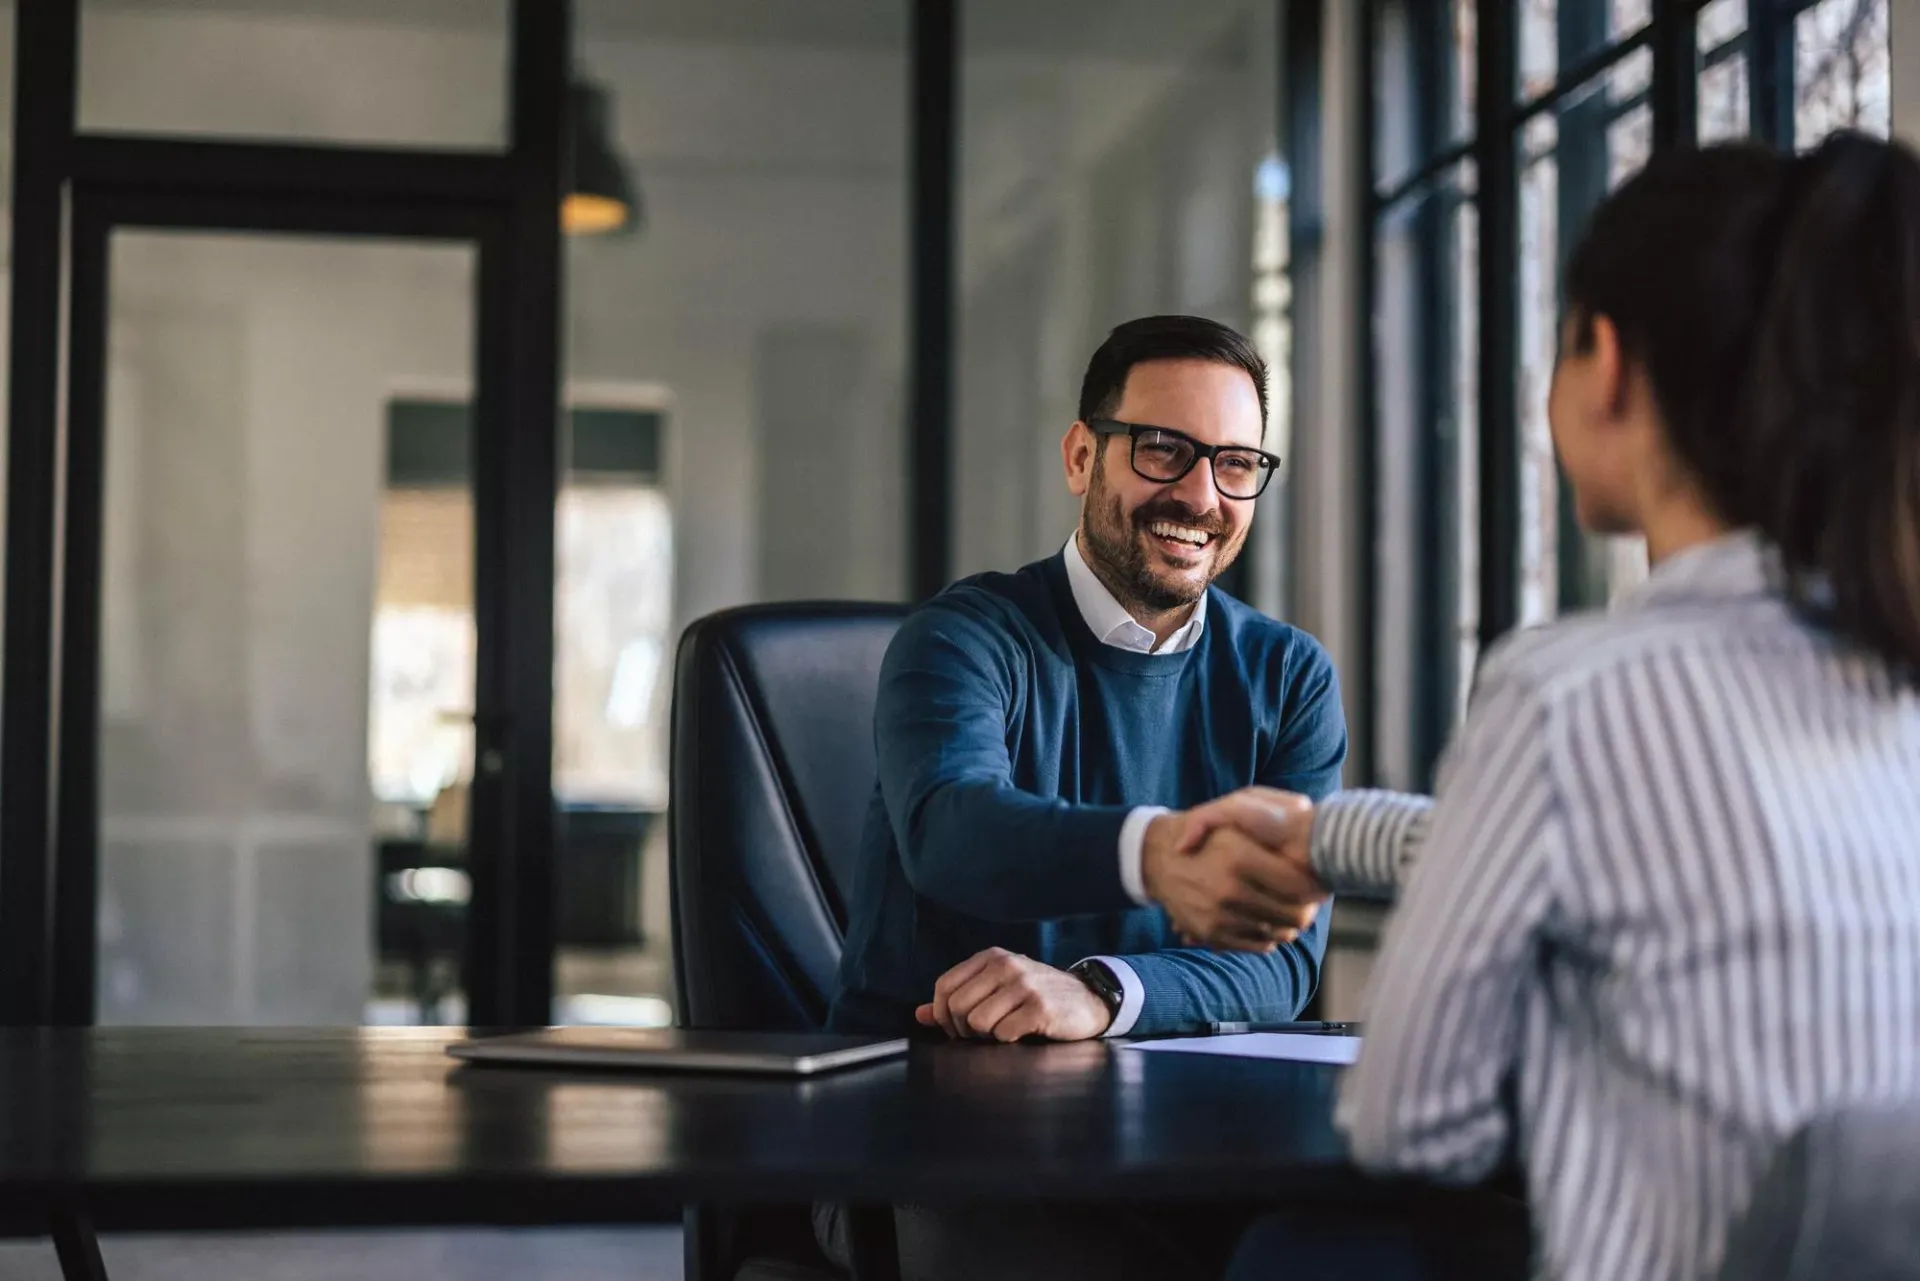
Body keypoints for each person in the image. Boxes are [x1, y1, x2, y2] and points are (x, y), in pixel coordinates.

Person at [1194, 133, 1920, 1281]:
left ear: (1608, 364)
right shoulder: (1889, 679)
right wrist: (1327, 832)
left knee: (1306, 1253)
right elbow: (1671, 857)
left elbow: (1412, 1121)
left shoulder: (1570, 693)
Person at [816, 314, 1346, 1281]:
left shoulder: (1288, 676)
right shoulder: (965, 639)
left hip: (1168, 1134)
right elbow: (950, 830)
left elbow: (1284, 964)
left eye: (1236, 463)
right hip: (923, 1138)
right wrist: (1166, 854)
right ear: (1080, 455)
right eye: (1163, 450)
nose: (1200, 494)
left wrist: (1104, 992)